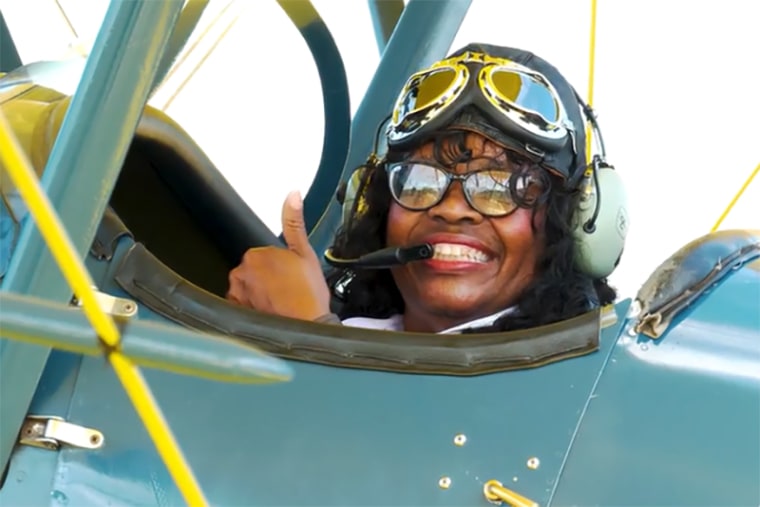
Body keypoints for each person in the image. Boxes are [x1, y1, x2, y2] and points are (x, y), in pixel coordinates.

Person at [226, 43, 627, 334]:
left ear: (575, 220)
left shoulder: (584, 394)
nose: (452, 209)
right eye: (420, 180)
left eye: (498, 186)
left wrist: (312, 336)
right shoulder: (349, 327)